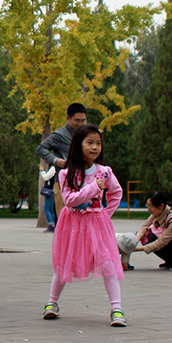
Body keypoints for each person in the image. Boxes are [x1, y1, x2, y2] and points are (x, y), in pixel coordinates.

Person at [42, 124, 126, 327]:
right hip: (72, 224)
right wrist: (93, 188)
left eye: (98, 143)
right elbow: (70, 200)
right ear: (78, 145)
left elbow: (116, 192)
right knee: (64, 264)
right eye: (90, 142)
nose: (95, 147)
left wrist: (105, 214)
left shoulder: (104, 172)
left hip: (97, 225)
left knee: (107, 263)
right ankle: (52, 303)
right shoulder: (66, 173)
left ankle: (116, 309)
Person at [35, 103, 88, 218]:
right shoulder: (60, 135)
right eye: (77, 120)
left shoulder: (86, 134)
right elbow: (40, 148)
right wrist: (55, 160)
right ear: (68, 118)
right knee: (66, 221)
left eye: (83, 121)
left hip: (84, 184)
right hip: (64, 184)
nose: (81, 124)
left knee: (84, 221)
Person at [39, 162, 57, 232]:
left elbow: (46, 177)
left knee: (45, 208)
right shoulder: (51, 168)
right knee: (51, 208)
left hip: (50, 190)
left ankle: (51, 224)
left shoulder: (53, 168)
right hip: (51, 190)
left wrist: (42, 171)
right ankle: (52, 224)